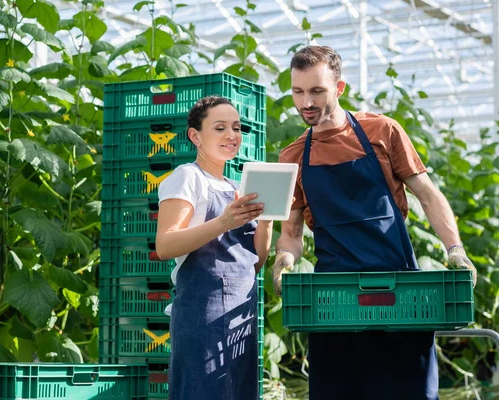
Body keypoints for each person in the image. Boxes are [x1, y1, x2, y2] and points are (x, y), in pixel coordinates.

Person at [272, 45, 477, 400]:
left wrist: (455, 250)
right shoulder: (291, 156)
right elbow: (291, 232)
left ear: (339, 89)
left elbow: (428, 195)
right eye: (298, 91)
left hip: (399, 291)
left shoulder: (382, 131)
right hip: (333, 300)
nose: (306, 102)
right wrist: (283, 261)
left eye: (317, 91)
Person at [156, 95, 273, 400]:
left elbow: (254, 263)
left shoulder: (238, 187)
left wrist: (269, 220)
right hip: (202, 314)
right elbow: (165, 244)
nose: (231, 136)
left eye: (236, 128)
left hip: (239, 316)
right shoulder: (187, 177)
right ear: (195, 136)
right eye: (219, 128)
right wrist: (224, 221)